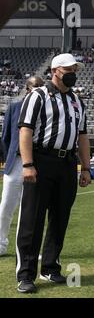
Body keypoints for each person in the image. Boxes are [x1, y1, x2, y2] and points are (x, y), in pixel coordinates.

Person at [16, 53, 91, 293]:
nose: (73, 74)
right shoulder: (37, 96)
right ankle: (25, 274)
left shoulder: (77, 101)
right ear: (55, 71)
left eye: (75, 70)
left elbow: (82, 136)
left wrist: (86, 167)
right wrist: (28, 164)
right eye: (69, 69)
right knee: (32, 219)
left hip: (67, 163)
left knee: (60, 218)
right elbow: (25, 130)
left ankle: (50, 267)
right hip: (42, 159)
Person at [0, 76, 44, 256]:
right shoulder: (14, 107)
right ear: (27, 89)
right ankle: (1, 244)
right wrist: (10, 156)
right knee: (6, 206)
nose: (41, 89)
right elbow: (6, 137)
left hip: (36, 163)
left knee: (32, 209)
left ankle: (30, 248)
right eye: (37, 86)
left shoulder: (45, 109)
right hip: (14, 163)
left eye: (42, 86)